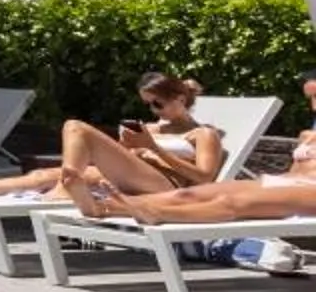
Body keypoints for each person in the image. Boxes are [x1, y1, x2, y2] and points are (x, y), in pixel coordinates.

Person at [64, 71, 316, 232]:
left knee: (234, 203)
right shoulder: (307, 134)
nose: (313, 104)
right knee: (191, 196)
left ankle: (154, 212)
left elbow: (204, 171)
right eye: (310, 98)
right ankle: (104, 208)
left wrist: (152, 149)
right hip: (284, 181)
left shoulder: (203, 133)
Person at [0, 71, 223, 199]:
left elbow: (204, 178)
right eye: (148, 104)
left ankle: (65, 188)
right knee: (44, 175)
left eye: (158, 103)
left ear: (180, 99)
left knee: (75, 127)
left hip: (165, 184)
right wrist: (132, 148)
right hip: (133, 176)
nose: (154, 110)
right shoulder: (153, 128)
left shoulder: (203, 134)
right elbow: (134, 154)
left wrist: (154, 150)